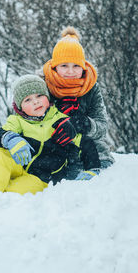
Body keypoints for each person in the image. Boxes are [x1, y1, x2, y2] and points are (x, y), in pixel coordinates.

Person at [0, 75, 100, 199]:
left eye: (39, 95)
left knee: (11, 195)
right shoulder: (18, 121)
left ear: (48, 97)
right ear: (20, 107)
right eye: (27, 100)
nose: (35, 101)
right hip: (19, 164)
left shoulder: (60, 121)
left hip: (41, 177)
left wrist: (92, 168)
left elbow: (85, 143)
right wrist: (11, 139)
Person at [43, 26, 114, 179]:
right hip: (55, 149)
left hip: (91, 150)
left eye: (76, 66)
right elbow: (29, 119)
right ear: (55, 67)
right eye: (64, 66)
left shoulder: (91, 87)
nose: (70, 71)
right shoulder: (44, 86)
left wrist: (85, 123)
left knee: (99, 181)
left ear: (83, 67)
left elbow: (102, 126)